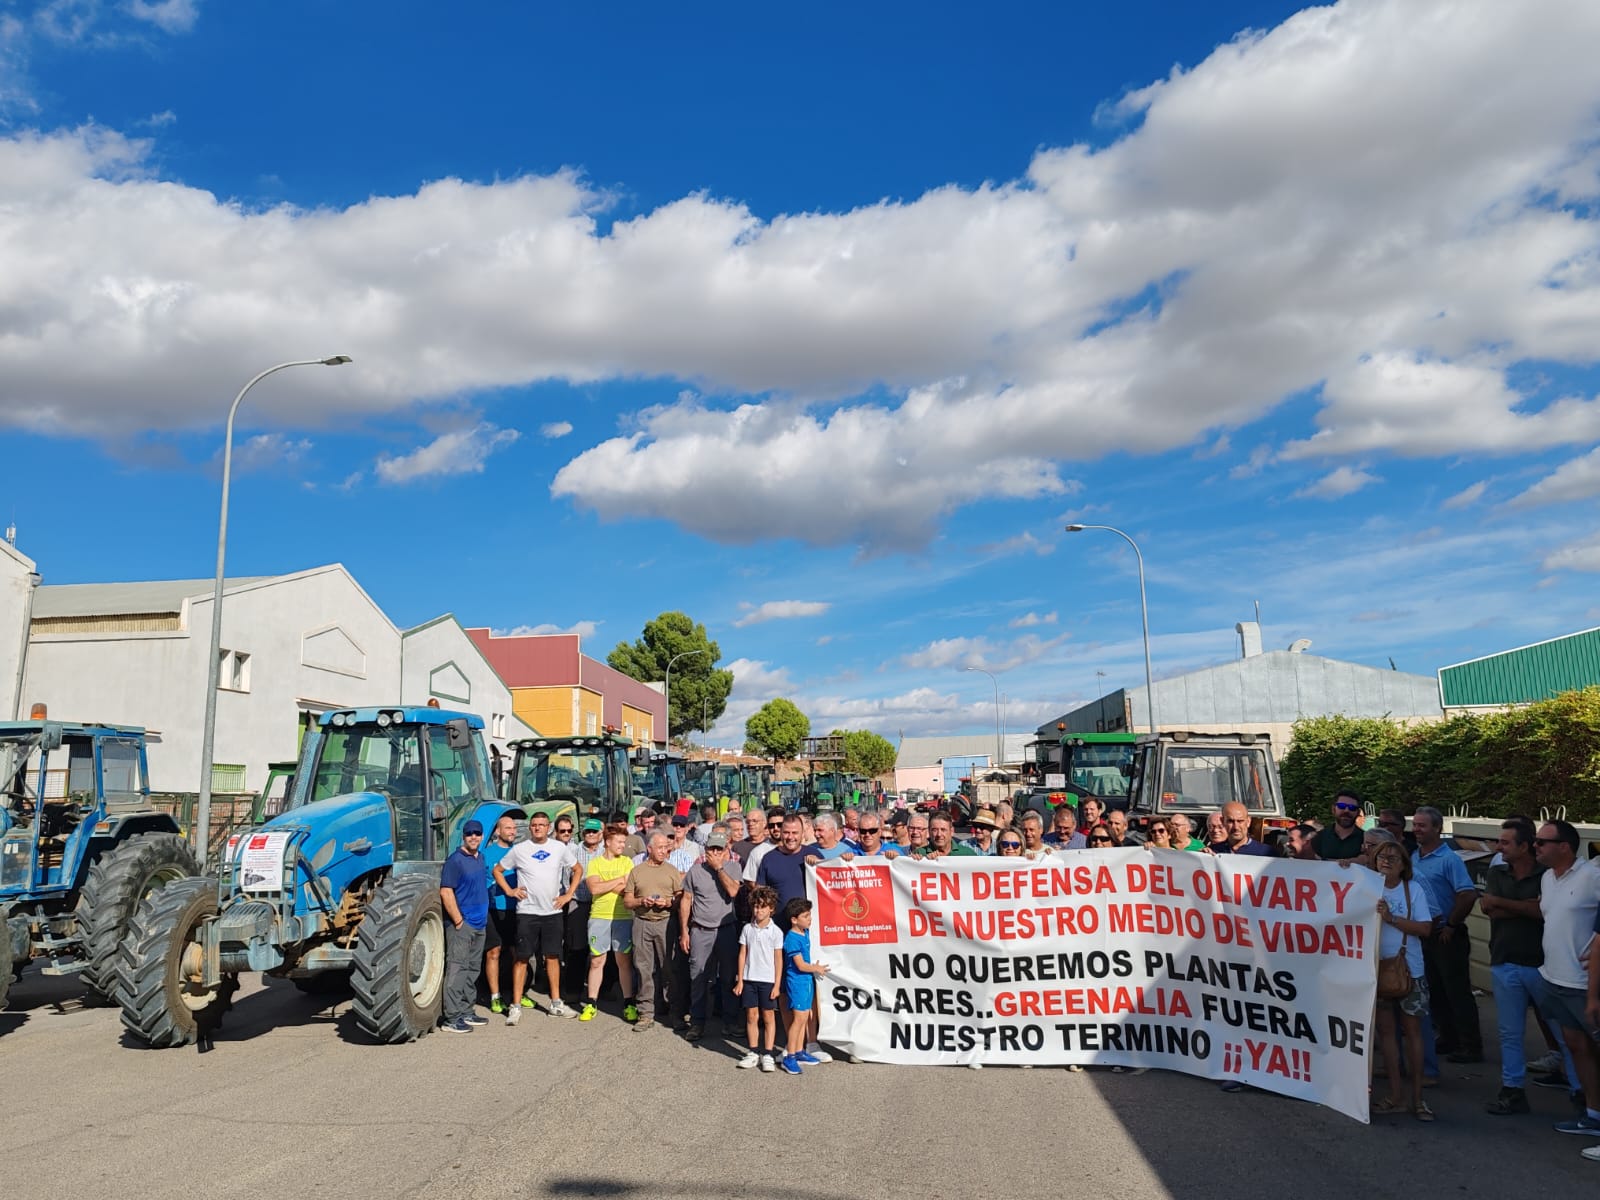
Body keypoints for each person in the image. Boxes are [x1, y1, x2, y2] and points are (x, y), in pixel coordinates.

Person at [1482, 818, 1570, 1115]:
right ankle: (1513, 1090)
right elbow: (1488, 909)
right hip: (1504, 961)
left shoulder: (1548, 875)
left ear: (1524, 846)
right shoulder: (1497, 871)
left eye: (1505, 842)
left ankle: (1582, 1091)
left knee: (1564, 1032)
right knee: (1510, 1032)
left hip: (1544, 965)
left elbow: (1543, 913)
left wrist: (1505, 903)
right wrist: (1526, 907)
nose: (1499, 847)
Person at [1532, 819, 1600, 1145]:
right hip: (1554, 978)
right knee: (1577, 1047)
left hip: (1586, 984)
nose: (1536, 846)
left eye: (1542, 842)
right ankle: (1594, 1115)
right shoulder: (1547, 878)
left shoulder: (1592, 875)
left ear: (1565, 846)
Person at [491, 811, 582, 1024]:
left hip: (552, 912)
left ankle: (556, 1003)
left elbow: (577, 869)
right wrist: (510, 891)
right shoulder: (520, 850)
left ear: (549, 827)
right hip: (527, 912)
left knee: (552, 957)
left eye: (541, 824)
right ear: (530, 827)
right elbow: (497, 871)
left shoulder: (559, 848)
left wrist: (568, 894)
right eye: (534, 825)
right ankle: (515, 1006)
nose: (538, 828)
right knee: (521, 958)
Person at [1370, 834, 1435, 1121]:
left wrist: (1391, 918)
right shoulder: (1365, 887)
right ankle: (1395, 1095)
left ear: (1402, 865)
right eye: (1381, 857)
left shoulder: (1414, 890)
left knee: (1412, 1034)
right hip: (1378, 970)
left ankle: (1418, 1099)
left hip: (1410, 971)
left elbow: (1425, 929)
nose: (1385, 861)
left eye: (1392, 858)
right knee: (1387, 1037)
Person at [1411, 805, 1482, 1065]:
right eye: (1415, 825)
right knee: (1435, 990)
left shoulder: (1449, 859)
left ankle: (1470, 1045)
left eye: (1422, 825)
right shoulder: (1414, 856)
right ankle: (1448, 1037)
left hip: (1446, 934)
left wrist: (1452, 924)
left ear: (1437, 829)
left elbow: (1467, 894)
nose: (1416, 829)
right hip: (1425, 933)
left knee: (1457, 990)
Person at [680, 830, 744, 1040]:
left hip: (726, 930)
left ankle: (730, 1022)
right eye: (711, 849)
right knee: (697, 977)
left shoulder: (733, 867)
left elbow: (733, 891)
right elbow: (686, 900)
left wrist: (719, 869)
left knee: (728, 978)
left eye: (719, 849)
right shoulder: (695, 871)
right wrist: (684, 931)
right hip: (700, 930)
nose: (715, 853)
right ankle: (697, 1023)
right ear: (705, 850)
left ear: (726, 850)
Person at [624, 831, 684, 1032]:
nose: (663, 851)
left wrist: (667, 902)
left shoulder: (672, 870)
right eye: (659, 848)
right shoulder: (637, 871)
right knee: (643, 969)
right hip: (642, 922)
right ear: (649, 849)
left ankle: (675, 1013)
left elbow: (680, 898)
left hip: (666, 922)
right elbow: (627, 901)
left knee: (670, 969)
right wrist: (642, 901)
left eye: (666, 848)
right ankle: (645, 1013)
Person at [579, 824, 638, 1024]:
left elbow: (627, 889)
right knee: (597, 960)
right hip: (599, 917)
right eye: (620, 842)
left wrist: (609, 883)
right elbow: (594, 888)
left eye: (624, 842)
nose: (623, 845)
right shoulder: (595, 863)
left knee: (624, 960)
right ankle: (591, 1002)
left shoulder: (627, 862)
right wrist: (617, 881)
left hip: (623, 916)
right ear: (608, 842)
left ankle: (628, 1002)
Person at [439, 820, 488, 1033]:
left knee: (473, 969)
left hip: (480, 924)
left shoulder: (480, 857)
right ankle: (451, 1018)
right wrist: (459, 920)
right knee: (457, 969)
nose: (474, 837)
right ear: (463, 836)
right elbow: (446, 891)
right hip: (463, 925)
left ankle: (466, 1011)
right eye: (470, 834)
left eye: (477, 833)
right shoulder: (455, 861)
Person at [735, 885, 784, 1071]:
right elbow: (742, 954)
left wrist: (777, 984)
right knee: (751, 1016)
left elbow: (778, 959)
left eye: (763, 907)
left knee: (769, 1016)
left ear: (771, 908)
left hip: (768, 980)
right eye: (756, 906)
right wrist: (740, 980)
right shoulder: (747, 929)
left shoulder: (776, 932)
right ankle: (753, 1051)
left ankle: (768, 1053)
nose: (758, 910)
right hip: (749, 978)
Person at [779, 897, 829, 1075]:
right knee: (798, 1020)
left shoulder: (804, 933)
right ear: (794, 919)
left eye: (810, 915)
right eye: (806, 916)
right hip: (798, 983)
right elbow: (799, 965)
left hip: (807, 982)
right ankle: (789, 1056)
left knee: (805, 1016)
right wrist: (816, 968)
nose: (810, 919)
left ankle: (799, 1051)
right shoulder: (792, 938)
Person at [481, 813, 520, 1014]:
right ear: (498, 831)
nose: (512, 832)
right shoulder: (486, 854)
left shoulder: (521, 851)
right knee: (493, 952)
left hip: (518, 909)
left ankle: (517, 995)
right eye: (508, 828)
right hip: (493, 909)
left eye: (514, 828)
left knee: (518, 954)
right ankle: (495, 997)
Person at [755, 814, 820, 926]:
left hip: (810, 928)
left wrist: (819, 865)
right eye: (786, 832)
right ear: (780, 833)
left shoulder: (814, 855)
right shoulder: (769, 859)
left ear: (802, 834)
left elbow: (831, 886)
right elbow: (759, 895)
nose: (790, 837)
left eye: (795, 833)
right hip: (778, 928)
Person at [564, 816, 604, 998]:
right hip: (578, 902)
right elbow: (566, 876)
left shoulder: (605, 852)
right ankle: (573, 989)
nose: (590, 834)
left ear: (601, 833)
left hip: (599, 903)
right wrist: (569, 895)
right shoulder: (573, 850)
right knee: (576, 947)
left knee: (601, 949)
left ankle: (603, 989)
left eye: (594, 831)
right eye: (587, 831)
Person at [1311, 791, 1366, 861]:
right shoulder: (1319, 837)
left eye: (1352, 808)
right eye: (1341, 806)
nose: (1346, 811)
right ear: (1333, 809)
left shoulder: (1366, 839)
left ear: (1357, 812)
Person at [1208, 802, 1273, 856]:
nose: (1236, 827)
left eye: (1240, 821)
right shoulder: (1213, 852)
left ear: (1248, 822)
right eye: (1230, 821)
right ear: (1223, 821)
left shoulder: (1267, 853)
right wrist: (1201, 857)